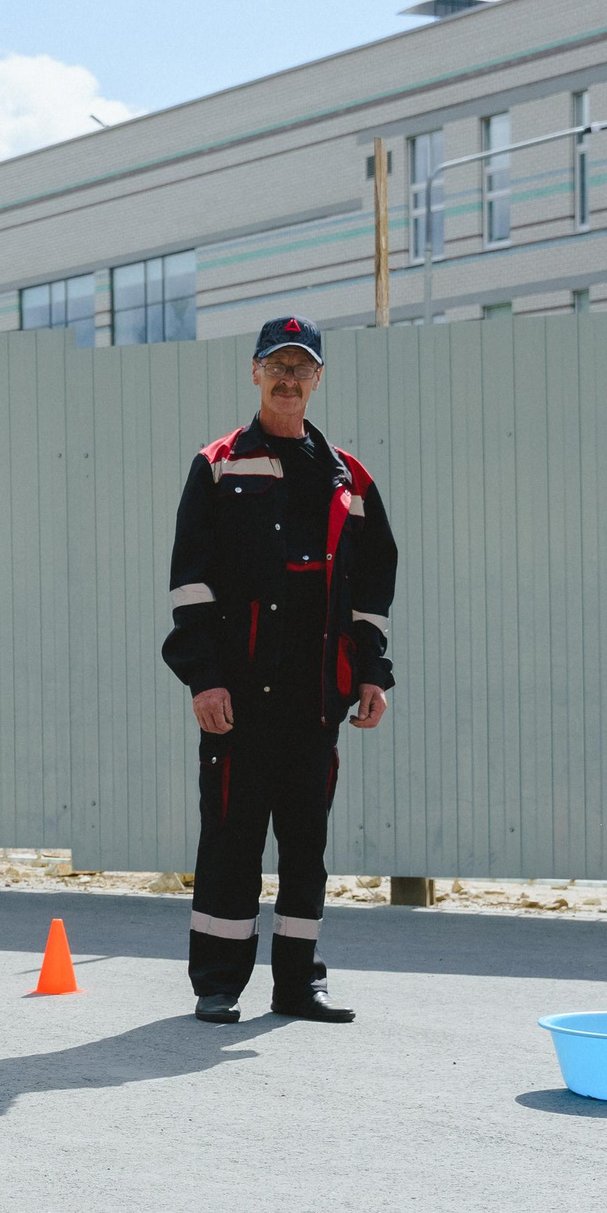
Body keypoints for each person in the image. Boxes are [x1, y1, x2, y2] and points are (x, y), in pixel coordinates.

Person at [162, 316, 396, 1025]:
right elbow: (190, 584)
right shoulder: (218, 465)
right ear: (254, 372)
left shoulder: (349, 478)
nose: (289, 378)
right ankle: (218, 982)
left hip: (315, 699)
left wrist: (372, 672)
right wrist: (203, 677)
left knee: (306, 845)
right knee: (231, 840)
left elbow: (373, 586)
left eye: (302, 367)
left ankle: (298, 983)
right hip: (238, 697)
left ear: (318, 379)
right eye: (277, 365)